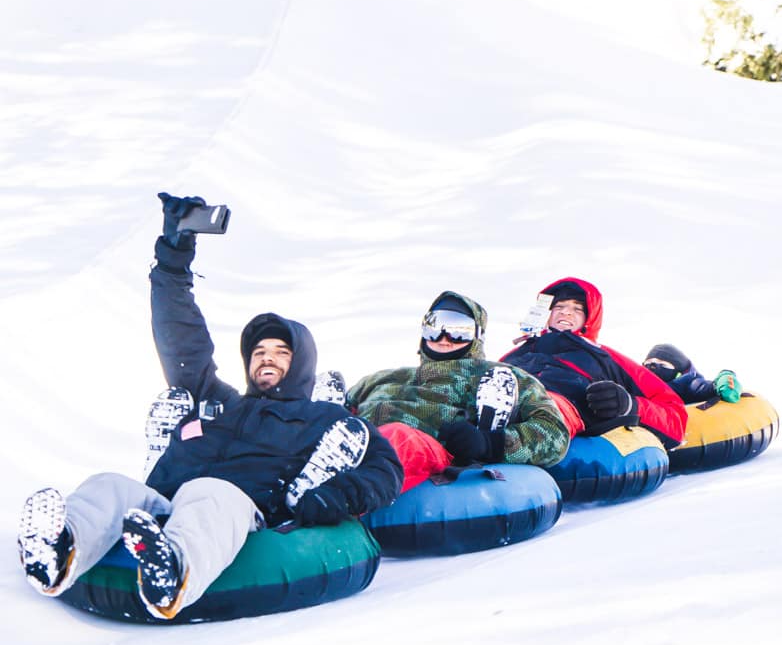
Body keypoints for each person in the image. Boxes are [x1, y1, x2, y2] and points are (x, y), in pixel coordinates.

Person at [16, 193, 403, 620]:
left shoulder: (325, 419)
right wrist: (173, 256)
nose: (266, 357)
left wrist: (335, 496)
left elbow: (386, 470)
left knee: (210, 492)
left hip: (245, 515)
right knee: (110, 485)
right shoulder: (220, 401)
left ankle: (171, 574)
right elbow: (181, 336)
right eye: (258, 352)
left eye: (280, 351)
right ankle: (58, 552)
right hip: (165, 508)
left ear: (302, 364)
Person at [343, 290, 570, 490]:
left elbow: (554, 434)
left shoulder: (503, 376)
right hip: (357, 442)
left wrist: (488, 443)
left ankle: (340, 495)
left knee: (397, 437)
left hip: (426, 448)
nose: (444, 339)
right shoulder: (379, 378)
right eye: (435, 327)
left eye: (458, 330)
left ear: (477, 336)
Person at [501, 277, 688, 449]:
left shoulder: (606, 358)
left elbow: (674, 415)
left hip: (557, 411)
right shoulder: (515, 355)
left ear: (589, 318)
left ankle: (509, 443)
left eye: (577, 308)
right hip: (504, 403)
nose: (566, 312)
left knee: (544, 405)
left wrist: (629, 405)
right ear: (547, 312)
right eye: (559, 306)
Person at [642, 343, 742, 404]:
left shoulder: (690, 384)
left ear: (679, 372)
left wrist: (724, 378)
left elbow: (706, 388)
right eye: (648, 363)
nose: (652, 367)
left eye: (662, 364)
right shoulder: (638, 386)